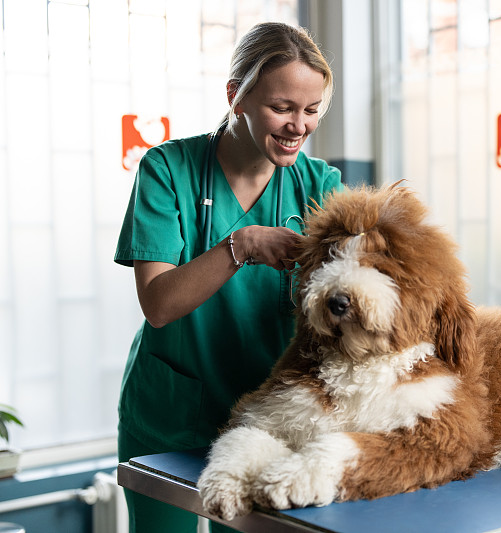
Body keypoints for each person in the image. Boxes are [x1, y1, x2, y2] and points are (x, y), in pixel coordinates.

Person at [114, 22, 344, 533]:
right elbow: (158, 305)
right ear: (235, 96)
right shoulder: (167, 169)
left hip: (269, 418)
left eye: (312, 110)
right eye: (282, 107)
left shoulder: (321, 185)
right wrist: (241, 246)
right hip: (172, 413)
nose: (298, 126)